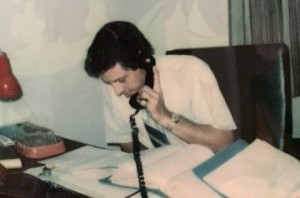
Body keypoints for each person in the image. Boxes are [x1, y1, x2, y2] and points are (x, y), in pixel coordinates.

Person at [84, 21, 236, 153]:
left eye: (122, 79)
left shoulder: (192, 70)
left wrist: (166, 117)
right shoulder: (113, 83)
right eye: (109, 83)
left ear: (142, 60)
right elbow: (126, 142)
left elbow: (224, 143)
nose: (117, 91)